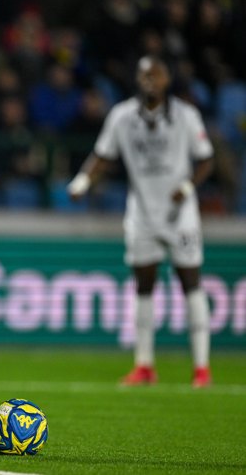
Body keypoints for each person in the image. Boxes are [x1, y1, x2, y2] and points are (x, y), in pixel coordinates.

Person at [67, 55, 214, 388]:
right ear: (138, 79)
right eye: (145, 75)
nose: (151, 81)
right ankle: (145, 365)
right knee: (143, 287)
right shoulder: (121, 116)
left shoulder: (186, 116)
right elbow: (102, 156)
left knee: (191, 283)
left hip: (181, 216)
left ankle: (201, 368)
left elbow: (206, 160)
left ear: (167, 80)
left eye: (157, 75)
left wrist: (188, 186)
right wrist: (82, 182)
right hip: (142, 214)